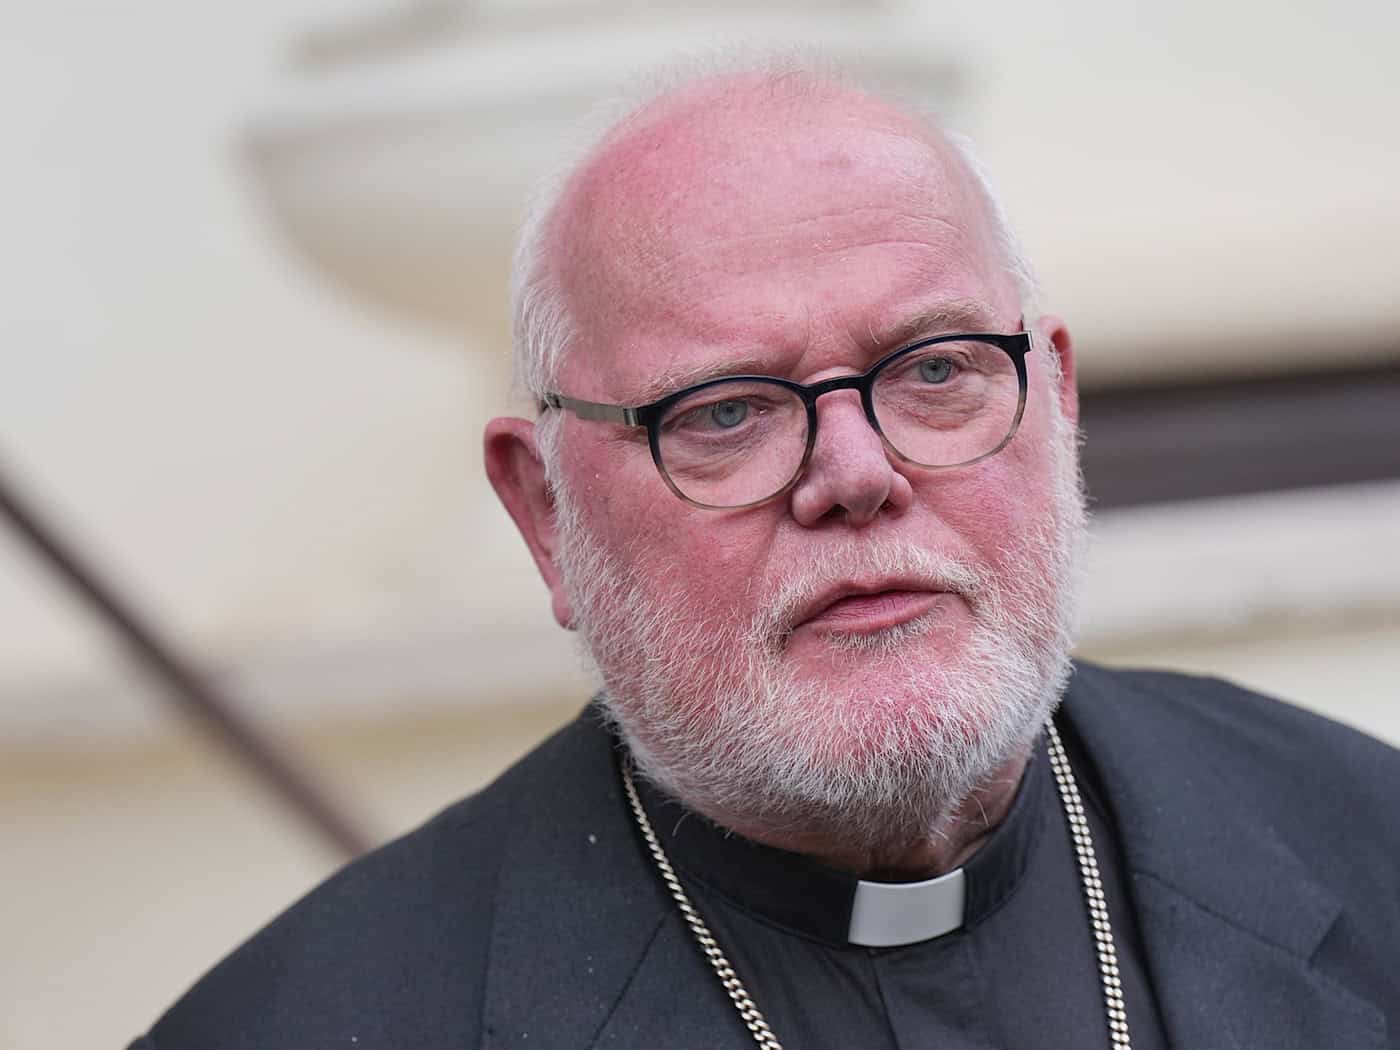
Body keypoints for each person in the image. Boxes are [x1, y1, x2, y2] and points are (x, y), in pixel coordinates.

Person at [131, 60, 1400, 1049]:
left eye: (937, 370)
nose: (854, 474)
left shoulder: (1367, 844)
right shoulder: (299, 1030)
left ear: (1054, 403)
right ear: (545, 516)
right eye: (723, 411)